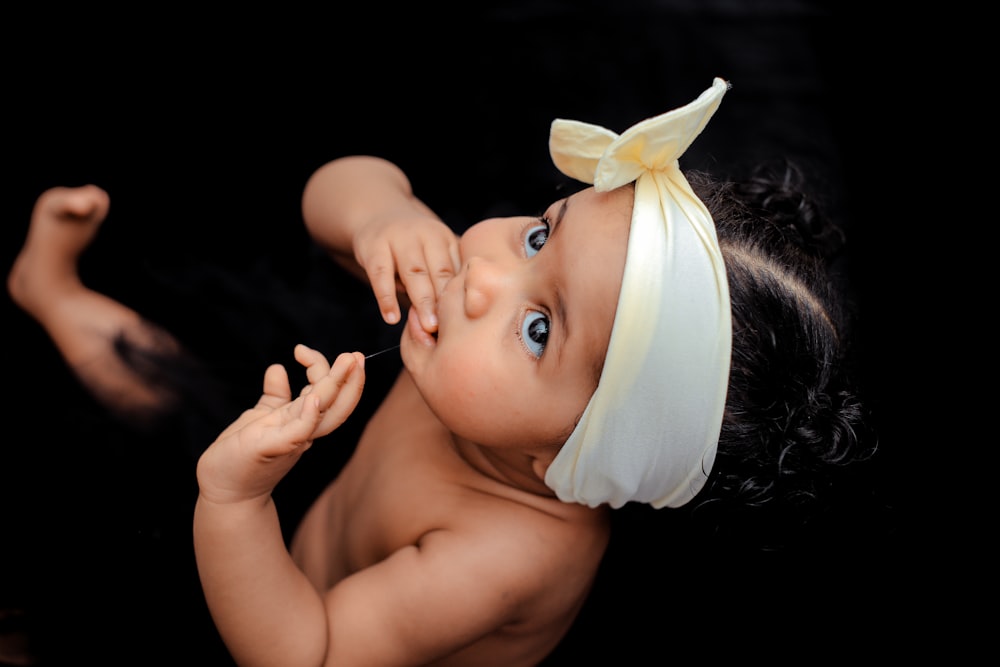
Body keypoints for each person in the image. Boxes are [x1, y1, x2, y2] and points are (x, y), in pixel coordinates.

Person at [6, 78, 873, 666]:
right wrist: (382, 212)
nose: (486, 270)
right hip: (297, 506)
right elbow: (333, 193)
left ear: (566, 458)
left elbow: (304, 651)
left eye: (538, 327)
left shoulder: (506, 555)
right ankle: (48, 291)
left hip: (295, 609)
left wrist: (235, 502)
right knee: (173, 387)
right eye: (541, 233)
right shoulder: (479, 355)